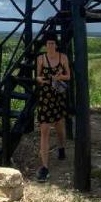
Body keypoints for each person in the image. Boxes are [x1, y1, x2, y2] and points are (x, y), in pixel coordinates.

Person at [35, 32, 70, 182]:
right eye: (48, 43)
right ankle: (44, 167)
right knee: (44, 130)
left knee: (60, 125)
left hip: (58, 96)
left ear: (56, 44)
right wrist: (40, 79)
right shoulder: (41, 59)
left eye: (53, 43)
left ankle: (61, 147)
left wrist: (59, 77)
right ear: (45, 45)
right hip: (45, 97)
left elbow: (68, 76)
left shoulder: (63, 57)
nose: (50, 45)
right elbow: (37, 77)